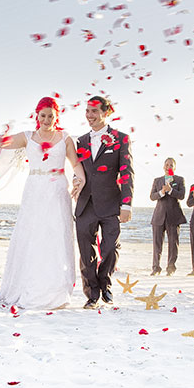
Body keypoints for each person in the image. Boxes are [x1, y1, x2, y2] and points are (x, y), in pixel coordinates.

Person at [0, 97, 87, 309]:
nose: (47, 119)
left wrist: (80, 179)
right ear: (37, 116)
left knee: (56, 235)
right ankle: (29, 283)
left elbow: (75, 164)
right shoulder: (27, 137)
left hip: (57, 188)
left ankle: (56, 289)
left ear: (56, 117)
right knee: (33, 236)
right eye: (43, 115)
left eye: (51, 116)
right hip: (34, 189)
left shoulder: (65, 138)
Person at [72, 95, 133, 308]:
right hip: (85, 204)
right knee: (86, 251)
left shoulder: (121, 138)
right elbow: (77, 169)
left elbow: (126, 173)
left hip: (110, 204)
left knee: (109, 249)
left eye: (95, 111)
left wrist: (126, 205)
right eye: (87, 111)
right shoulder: (79, 141)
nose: (90, 115)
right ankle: (92, 293)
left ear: (106, 112)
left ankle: (105, 284)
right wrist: (76, 182)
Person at [149, 157, 186, 276]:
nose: (168, 167)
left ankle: (170, 268)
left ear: (174, 167)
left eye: (171, 165)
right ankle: (156, 268)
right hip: (159, 216)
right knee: (157, 244)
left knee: (173, 243)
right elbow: (152, 196)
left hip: (174, 216)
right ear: (163, 166)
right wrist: (162, 192)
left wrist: (170, 190)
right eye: (167, 164)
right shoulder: (157, 180)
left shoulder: (179, 180)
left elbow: (181, 195)